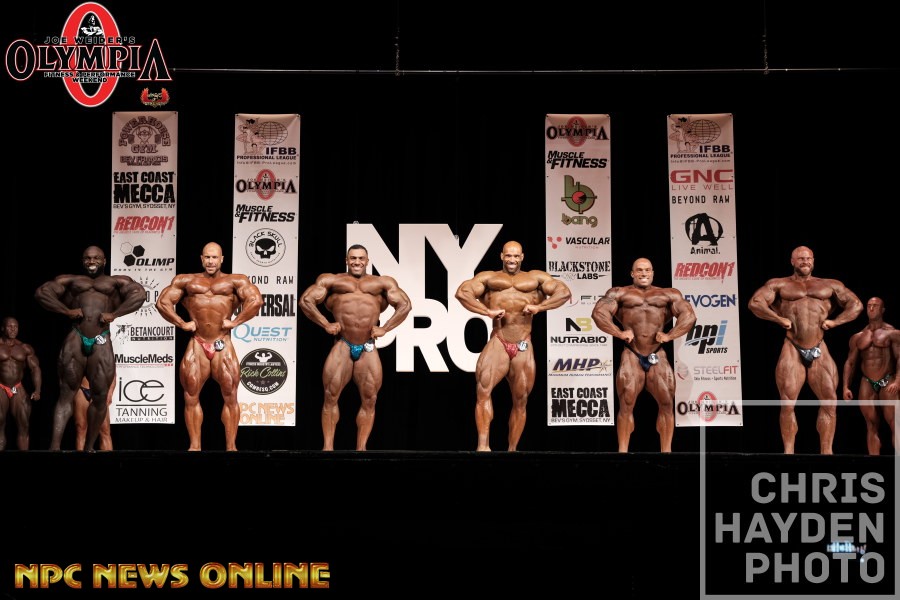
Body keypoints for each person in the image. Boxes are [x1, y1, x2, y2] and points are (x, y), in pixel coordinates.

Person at [455, 240, 571, 452]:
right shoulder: (489, 278)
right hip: (499, 339)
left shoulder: (535, 278)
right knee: (483, 391)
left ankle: (512, 450)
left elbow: (563, 292)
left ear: (522, 257)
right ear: (502, 256)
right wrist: (486, 311)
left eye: (516, 256)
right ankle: (483, 446)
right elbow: (462, 293)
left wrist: (539, 307)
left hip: (523, 342)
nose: (512, 260)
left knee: (521, 399)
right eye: (508, 255)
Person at [748, 245, 863, 454]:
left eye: (808, 258)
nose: (805, 261)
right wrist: (778, 318)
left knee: (830, 401)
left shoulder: (829, 285)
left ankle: (827, 452)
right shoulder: (779, 284)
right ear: (792, 261)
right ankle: (788, 453)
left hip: (819, 346)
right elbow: (755, 303)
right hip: (792, 346)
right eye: (800, 258)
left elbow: (856, 304)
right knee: (787, 403)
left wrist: (835, 322)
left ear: (813, 260)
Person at [299, 244, 412, 451]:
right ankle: (328, 449)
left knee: (370, 399)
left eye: (361, 258)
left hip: (368, 345)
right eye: (353, 258)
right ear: (347, 260)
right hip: (342, 344)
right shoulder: (332, 280)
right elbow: (306, 301)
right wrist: (325, 324)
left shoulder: (382, 283)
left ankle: (361, 450)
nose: (357, 262)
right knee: (330, 396)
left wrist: (385, 328)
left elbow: (405, 305)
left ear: (367, 261)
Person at [35, 246, 145, 451]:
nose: (91, 261)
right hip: (76, 336)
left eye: (96, 258)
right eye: (87, 258)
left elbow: (139, 295)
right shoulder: (71, 281)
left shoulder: (116, 282)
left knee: (100, 397)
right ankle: (54, 448)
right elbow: (42, 293)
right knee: (66, 394)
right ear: (82, 260)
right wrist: (66, 311)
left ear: (104, 261)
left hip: (101, 337)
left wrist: (116, 314)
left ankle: (89, 448)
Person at [155, 242, 263, 451]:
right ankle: (194, 447)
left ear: (222, 259)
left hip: (223, 342)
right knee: (191, 395)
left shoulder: (236, 280)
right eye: (207, 257)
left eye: (214, 257)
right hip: (197, 343)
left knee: (230, 396)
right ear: (201, 259)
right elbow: (162, 303)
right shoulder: (186, 281)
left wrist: (235, 322)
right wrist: (182, 323)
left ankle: (231, 448)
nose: (211, 261)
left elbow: (256, 301)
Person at [591, 257, 697, 453]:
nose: (643, 273)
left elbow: (689, 315)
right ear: (632, 273)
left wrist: (670, 335)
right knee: (626, 404)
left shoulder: (669, 294)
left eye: (647, 270)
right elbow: (599, 313)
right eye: (639, 270)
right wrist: (619, 333)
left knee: (667, 404)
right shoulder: (619, 293)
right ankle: (622, 453)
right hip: (632, 354)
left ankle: (667, 453)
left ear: (653, 273)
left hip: (657, 353)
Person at [841, 297, 900, 455]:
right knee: (871, 425)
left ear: (883, 310)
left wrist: (898, 381)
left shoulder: (892, 333)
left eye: (875, 306)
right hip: (867, 382)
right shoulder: (858, 336)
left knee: (895, 423)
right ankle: (874, 463)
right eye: (869, 306)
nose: (871, 308)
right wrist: (845, 387)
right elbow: (850, 362)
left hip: (888, 380)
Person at [0, 317, 41, 450]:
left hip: (17, 387)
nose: (13, 329)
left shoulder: (24, 348)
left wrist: (37, 389)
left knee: (24, 425)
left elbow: (35, 368)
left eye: (15, 327)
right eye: (9, 326)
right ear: (3, 328)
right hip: (0, 387)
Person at [74, 376, 113, 451]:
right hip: (81, 388)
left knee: (105, 430)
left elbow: (113, 373)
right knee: (81, 428)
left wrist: (110, 391)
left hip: (100, 390)